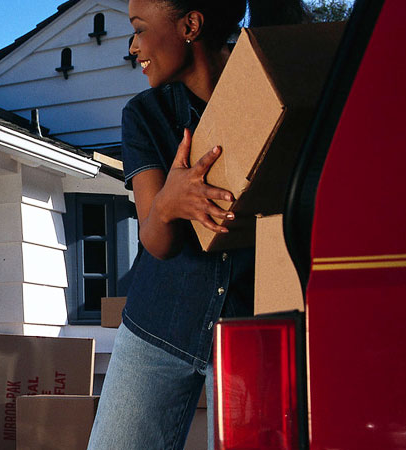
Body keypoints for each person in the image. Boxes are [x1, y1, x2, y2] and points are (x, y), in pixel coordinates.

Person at [86, 1, 307, 449]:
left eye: (140, 30)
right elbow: (157, 243)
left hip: (251, 331)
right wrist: (168, 203)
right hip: (156, 328)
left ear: (190, 25)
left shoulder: (269, 92)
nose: (132, 47)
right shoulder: (144, 115)